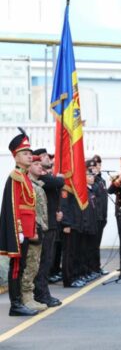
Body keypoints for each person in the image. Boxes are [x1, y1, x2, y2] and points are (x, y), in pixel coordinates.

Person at [0, 129, 38, 316]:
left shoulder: (25, 177)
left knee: (22, 267)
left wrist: (33, 229)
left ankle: (20, 301)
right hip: (19, 231)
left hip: (28, 230)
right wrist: (19, 231)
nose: (30, 156)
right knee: (16, 267)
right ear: (16, 156)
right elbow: (14, 206)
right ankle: (15, 304)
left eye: (30, 153)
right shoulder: (15, 177)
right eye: (25, 153)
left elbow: (30, 206)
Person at [32, 148, 64, 307]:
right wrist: (59, 177)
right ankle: (41, 294)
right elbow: (58, 182)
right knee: (43, 262)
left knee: (47, 260)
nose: (45, 160)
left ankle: (43, 293)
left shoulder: (46, 175)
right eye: (38, 160)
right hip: (44, 225)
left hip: (50, 223)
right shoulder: (41, 177)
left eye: (44, 158)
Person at [22, 155, 49, 312]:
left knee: (35, 264)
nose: (40, 167)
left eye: (41, 164)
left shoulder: (38, 185)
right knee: (30, 264)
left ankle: (29, 295)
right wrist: (33, 230)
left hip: (39, 229)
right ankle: (26, 297)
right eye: (36, 164)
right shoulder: (27, 184)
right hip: (31, 230)